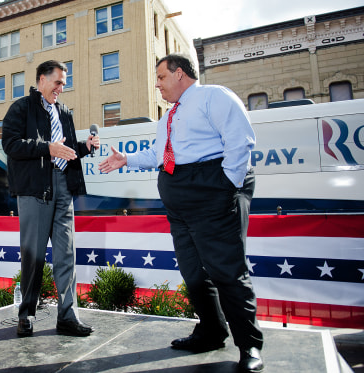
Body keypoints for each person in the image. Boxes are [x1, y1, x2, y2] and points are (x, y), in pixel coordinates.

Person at [98, 54, 264, 373]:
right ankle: (212, 331)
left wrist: (226, 186)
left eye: (160, 77)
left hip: (212, 191)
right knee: (193, 272)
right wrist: (126, 160)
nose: (157, 84)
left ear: (178, 74)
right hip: (180, 201)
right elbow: (159, 156)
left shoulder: (213, 96)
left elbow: (239, 142)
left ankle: (249, 345)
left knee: (227, 271)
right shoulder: (168, 118)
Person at [2, 60, 99, 338]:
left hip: (63, 187)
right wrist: (47, 148)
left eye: (63, 84)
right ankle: (26, 315)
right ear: (41, 80)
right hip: (35, 190)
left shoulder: (64, 112)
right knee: (33, 256)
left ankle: (68, 317)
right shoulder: (21, 108)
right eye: (57, 82)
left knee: (66, 255)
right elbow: (10, 144)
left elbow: (65, 149)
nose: (60, 88)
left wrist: (84, 147)